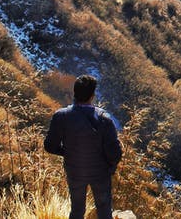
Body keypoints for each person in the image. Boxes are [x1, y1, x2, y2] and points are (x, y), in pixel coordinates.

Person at [44, 74, 123, 219]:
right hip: (100, 172)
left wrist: (68, 152)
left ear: (75, 93)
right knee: (104, 210)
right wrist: (110, 166)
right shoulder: (104, 119)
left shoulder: (61, 116)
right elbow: (115, 153)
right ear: (92, 96)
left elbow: (50, 146)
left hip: (75, 170)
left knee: (77, 210)